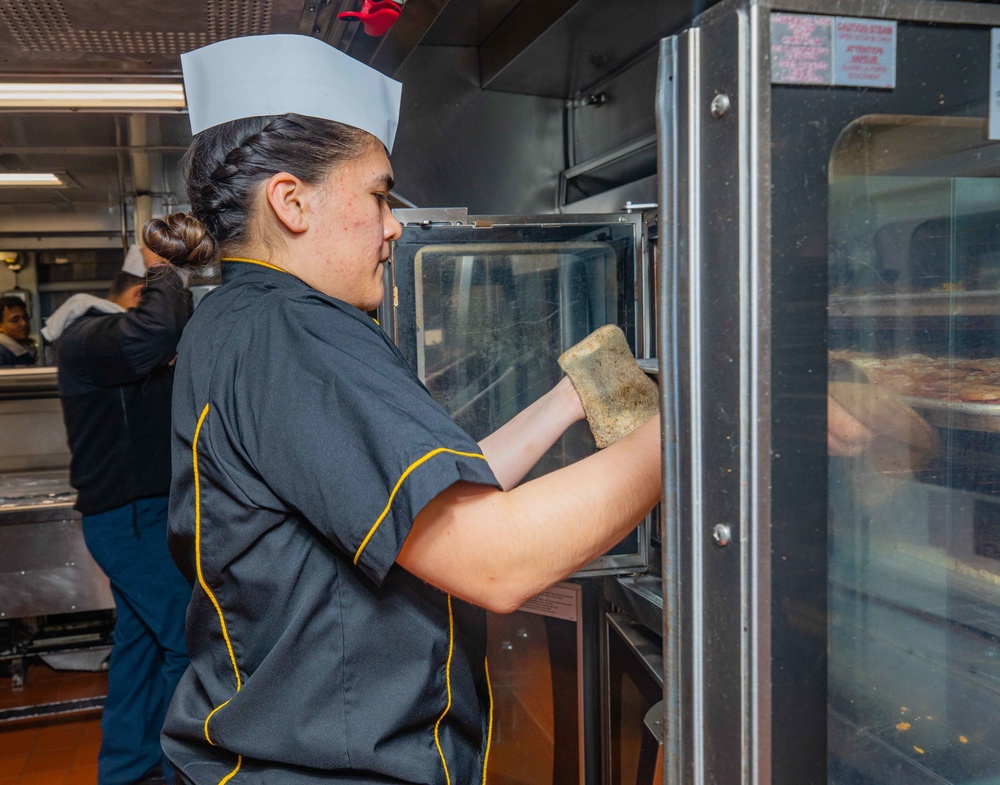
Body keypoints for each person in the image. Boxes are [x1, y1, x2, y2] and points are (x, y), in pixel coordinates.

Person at [148, 34, 661, 785]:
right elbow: (496, 558)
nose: (393, 226)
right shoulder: (294, 331)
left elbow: (423, 504)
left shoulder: (242, 321)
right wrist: (700, 432)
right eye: (379, 194)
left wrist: (567, 401)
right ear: (291, 202)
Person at [47, 250, 194, 785]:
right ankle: (186, 769)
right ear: (138, 296)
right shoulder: (89, 337)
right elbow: (153, 333)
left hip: (138, 516)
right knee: (186, 639)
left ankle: (130, 770)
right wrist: (167, 273)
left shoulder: (106, 341)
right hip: (132, 521)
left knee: (140, 647)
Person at [0, 294, 36, 366]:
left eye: (25, 318)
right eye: (15, 320)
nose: (24, 323)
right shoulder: (2, 355)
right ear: (1, 326)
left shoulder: (22, 349)